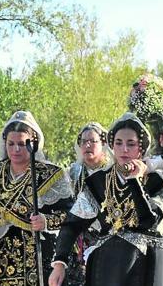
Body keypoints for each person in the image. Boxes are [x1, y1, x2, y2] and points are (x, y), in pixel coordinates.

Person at [49, 113, 163, 286]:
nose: (124, 149)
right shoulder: (99, 181)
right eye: (118, 143)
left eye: (131, 144)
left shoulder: (158, 180)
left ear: (141, 147)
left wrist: (134, 181)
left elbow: (149, 220)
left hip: (145, 263)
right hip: (108, 266)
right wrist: (59, 263)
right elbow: (72, 224)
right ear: (111, 146)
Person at [0, 110, 73, 285]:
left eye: (22, 144)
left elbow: (71, 215)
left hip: (36, 258)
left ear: (34, 144)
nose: (16, 149)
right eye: (11, 143)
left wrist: (46, 221)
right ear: (4, 143)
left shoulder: (50, 175)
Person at [65, 122, 113, 285]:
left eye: (92, 141)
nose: (87, 145)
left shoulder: (112, 171)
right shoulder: (73, 173)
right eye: (84, 141)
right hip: (79, 241)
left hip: (107, 237)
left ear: (103, 143)